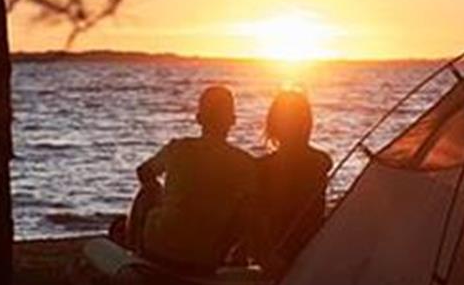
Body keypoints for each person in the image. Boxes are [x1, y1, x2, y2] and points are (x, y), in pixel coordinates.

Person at [115, 85, 256, 274]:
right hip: (207, 259)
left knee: (149, 190)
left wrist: (168, 192)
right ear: (232, 121)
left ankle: (133, 250)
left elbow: (143, 172)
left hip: (158, 250)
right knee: (246, 206)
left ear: (198, 119)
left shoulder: (178, 148)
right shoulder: (244, 162)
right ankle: (237, 259)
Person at [252, 89, 332, 274]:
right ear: (307, 125)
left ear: (273, 126)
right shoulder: (321, 162)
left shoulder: (261, 168)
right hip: (311, 253)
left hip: (276, 256)